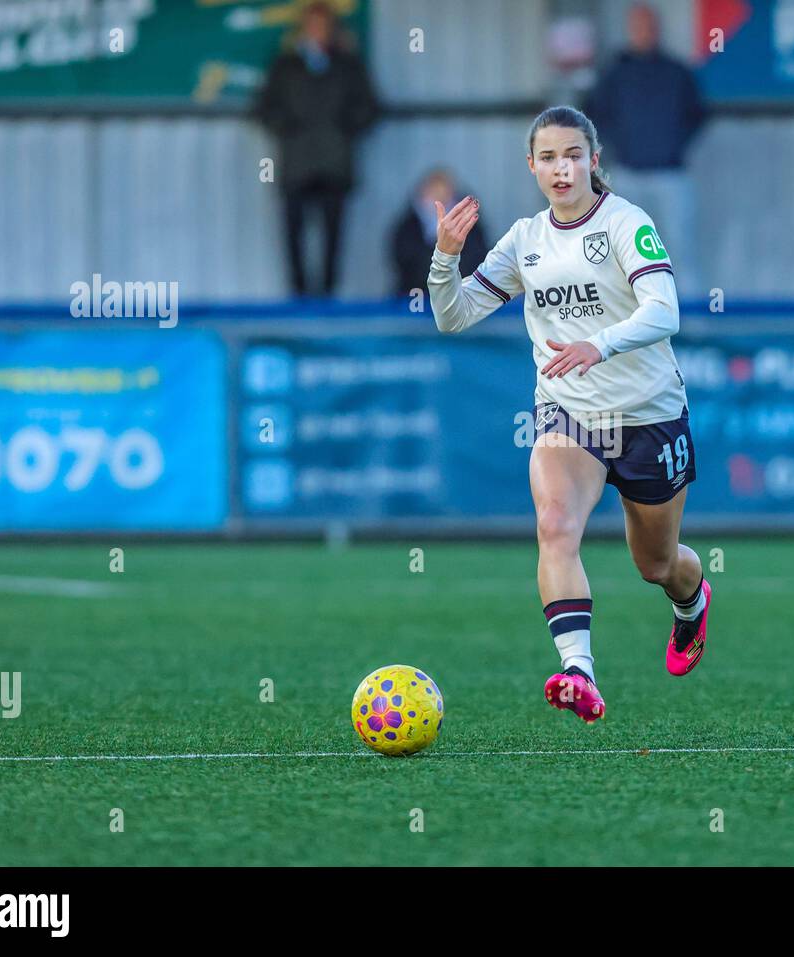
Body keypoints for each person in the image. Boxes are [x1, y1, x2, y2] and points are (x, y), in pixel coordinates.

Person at [427, 106, 709, 723]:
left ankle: (692, 602)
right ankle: (578, 670)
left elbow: (666, 311)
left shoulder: (625, 222)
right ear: (531, 166)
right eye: (548, 157)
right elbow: (453, 316)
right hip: (569, 416)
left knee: (655, 564)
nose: (562, 168)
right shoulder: (525, 239)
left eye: (573, 154)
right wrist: (445, 259)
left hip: (648, 416)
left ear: (593, 160)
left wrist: (598, 344)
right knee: (555, 524)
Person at [255, 1, 379, 297]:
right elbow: (264, 109)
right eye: (312, 25)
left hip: (334, 164)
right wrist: (289, 126)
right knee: (293, 234)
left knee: (333, 236)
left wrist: (342, 127)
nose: (318, 31)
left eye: (323, 25)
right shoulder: (285, 64)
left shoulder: (348, 64)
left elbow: (371, 108)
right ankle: (298, 297)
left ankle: (327, 298)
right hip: (296, 164)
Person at [585, 3, 705, 299]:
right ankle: (628, 321)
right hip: (628, 174)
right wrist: (620, 145)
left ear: (658, 30)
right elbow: (594, 114)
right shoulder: (615, 73)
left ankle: (691, 325)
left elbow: (697, 114)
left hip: (670, 174)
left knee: (679, 248)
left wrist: (673, 144)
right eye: (638, 27)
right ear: (630, 31)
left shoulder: (676, 72)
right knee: (624, 249)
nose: (644, 33)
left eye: (649, 26)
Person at [390, 169, 486, 297]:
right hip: (416, 294)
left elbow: (477, 256)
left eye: (443, 193)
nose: (439, 198)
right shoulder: (408, 225)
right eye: (434, 193)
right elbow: (404, 261)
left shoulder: (470, 223)